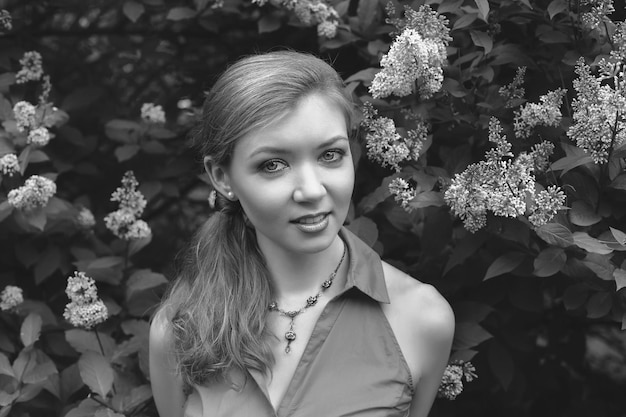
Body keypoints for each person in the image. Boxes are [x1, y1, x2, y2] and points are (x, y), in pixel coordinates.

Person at [149, 50, 455, 417]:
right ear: (222, 177)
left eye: (330, 155)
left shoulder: (422, 319)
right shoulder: (178, 328)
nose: (311, 190)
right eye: (273, 165)